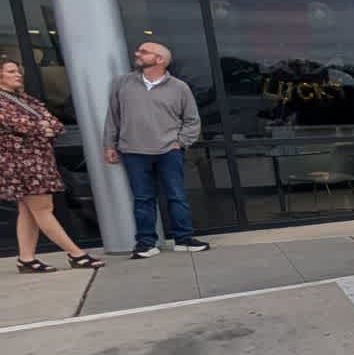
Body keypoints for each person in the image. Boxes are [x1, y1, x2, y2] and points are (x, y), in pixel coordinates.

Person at [103, 41, 209, 258]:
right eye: (139, 50)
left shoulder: (179, 88)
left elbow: (192, 120)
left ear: (160, 59)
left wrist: (180, 143)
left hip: (169, 151)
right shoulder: (122, 83)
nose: (137, 53)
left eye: (144, 52)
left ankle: (183, 239)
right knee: (142, 198)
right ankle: (145, 244)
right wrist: (109, 145)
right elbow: (113, 117)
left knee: (176, 196)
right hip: (133, 151)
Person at [0, 56, 104, 271]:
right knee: (43, 208)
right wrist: (40, 127)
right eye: (11, 71)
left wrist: (40, 126)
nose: (18, 75)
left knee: (28, 211)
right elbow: (19, 124)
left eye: (18, 71)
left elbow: (56, 125)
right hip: (22, 164)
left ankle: (26, 259)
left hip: (39, 162)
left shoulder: (25, 100)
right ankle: (77, 254)